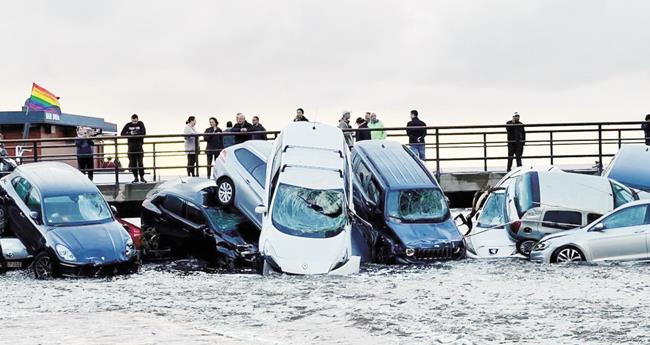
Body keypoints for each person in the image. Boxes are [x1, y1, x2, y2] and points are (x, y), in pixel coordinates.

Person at [120, 114, 147, 183]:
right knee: (132, 163)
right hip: (131, 146)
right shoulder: (128, 125)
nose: (134, 122)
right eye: (133, 121)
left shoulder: (140, 124)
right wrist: (130, 133)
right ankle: (135, 177)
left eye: (135, 121)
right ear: (131, 120)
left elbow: (143, 132)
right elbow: (122, 133)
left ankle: (142, 177)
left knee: (140, 162)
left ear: (137, 119)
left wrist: (134, 134)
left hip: (139, 146)